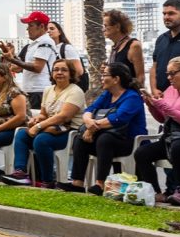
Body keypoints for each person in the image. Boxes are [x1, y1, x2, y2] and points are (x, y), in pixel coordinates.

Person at [58, 62, 147, 195]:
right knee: (80, 139)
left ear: (116, 79)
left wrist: (91, 128)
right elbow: (90, 109)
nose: (101, 78)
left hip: (130, 141)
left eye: (105, 75)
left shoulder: (132, 97)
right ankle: (78, 183)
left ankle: (100, 184)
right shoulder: (107, 94)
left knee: (104, 139)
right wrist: (88, 121)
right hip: (109, 138)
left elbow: (118, 118)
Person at [3, 59, 85, 188]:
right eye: (56, 69)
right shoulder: (48, 90)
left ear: (71, 73)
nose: (59, 72)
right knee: (22, 135)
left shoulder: (75, 91)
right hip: (49, 127)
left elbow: (64, 116)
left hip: (69, 132)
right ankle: (21, 173)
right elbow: (44, 114)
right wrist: (36, 120)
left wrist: (39, 126)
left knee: (41, 140)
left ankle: (48, 181)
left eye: (64, 70)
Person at [138, 56, 180, 204]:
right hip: (170, 137)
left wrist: (165, 107)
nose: (169, 78)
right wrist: (151, 105)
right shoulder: (171, 90)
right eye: (167, 74)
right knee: (142, 153)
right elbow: (162, 118)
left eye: (173, 73)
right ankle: (156, 192)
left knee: (178, 148)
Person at [3, 11, 57, 110]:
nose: (28, 29)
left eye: (30, 25)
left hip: (39, 90)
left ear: (41, 26)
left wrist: (13, 60)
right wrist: (13, 55)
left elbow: (37, 67)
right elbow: (20, 68)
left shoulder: (45, 41)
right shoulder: (35, 44)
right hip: (31, 90)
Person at [150, 0, 180, 98]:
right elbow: (154, 67)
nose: (166, 17)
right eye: (164, 14)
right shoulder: (161, 39)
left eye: (171, 14)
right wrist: (153, 89)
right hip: (161, 98)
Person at [104, 9, 145, 86]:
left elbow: (140, 77)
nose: (103, 29)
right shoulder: (115, 47)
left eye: (106, 26)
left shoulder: (133, 46)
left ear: (117, 27)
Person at [47, 21, 88, 91]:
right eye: (46, 29)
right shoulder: (47, 49)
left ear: (59, 32)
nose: (48, 31)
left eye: (52, 28)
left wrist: (65, 85)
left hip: (68, 88)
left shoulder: (67, 48)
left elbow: (79, 71)